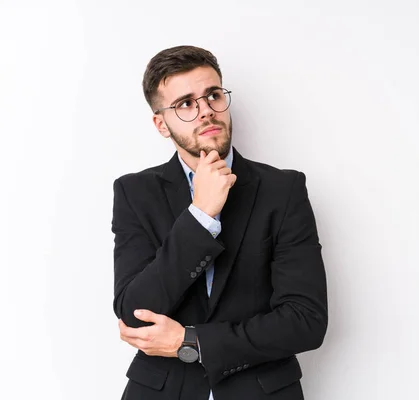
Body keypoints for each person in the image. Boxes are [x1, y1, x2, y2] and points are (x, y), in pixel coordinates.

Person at [111, 45, 328, 400]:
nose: (206, 112)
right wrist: (201, 216)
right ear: (161, 124)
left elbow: (306, 321)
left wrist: (190, 342)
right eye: (186, 103)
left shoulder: (283, 189)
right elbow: (135, 314)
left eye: (213, 95)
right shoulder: (135, 192)